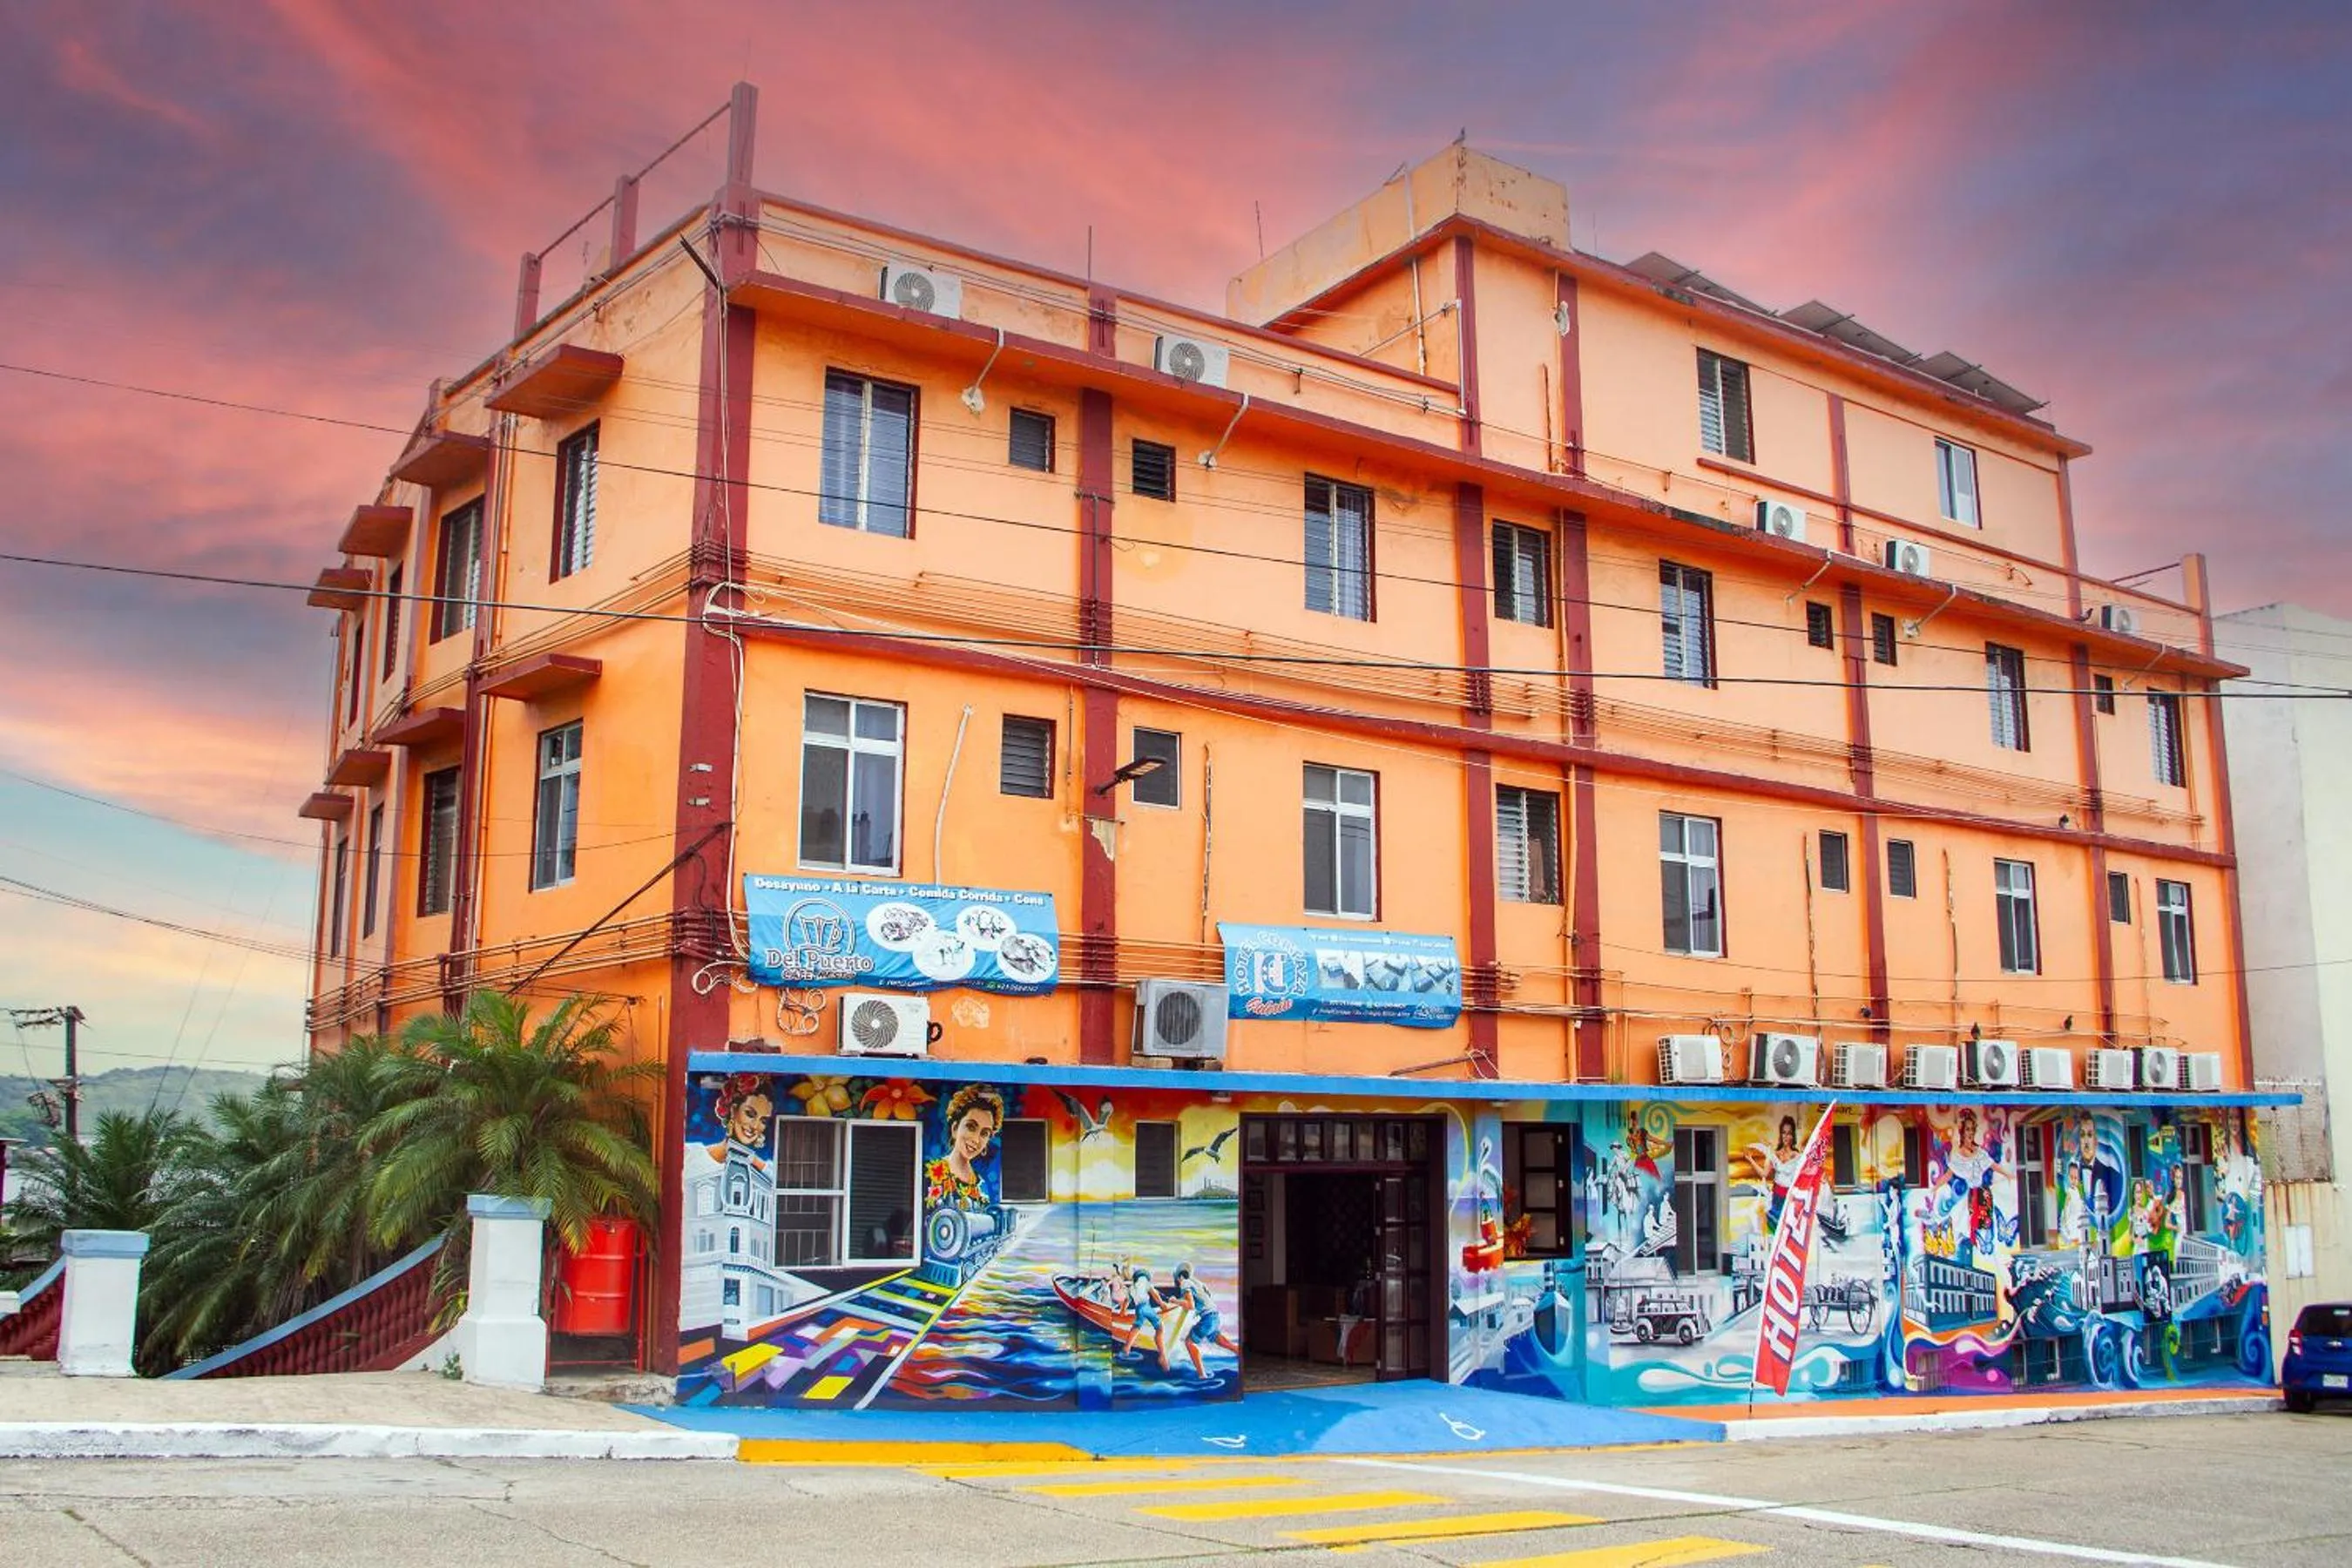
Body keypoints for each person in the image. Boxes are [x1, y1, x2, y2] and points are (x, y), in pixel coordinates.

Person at [924, 1084, 1005, 1211]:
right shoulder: (930, 1173)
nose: (976, 1139)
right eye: (971, 1127)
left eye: (984, 1133)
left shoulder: (982, 1186)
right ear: (955, 1128)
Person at [1165, 1261, 1238, 1377]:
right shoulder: (1198, 1283)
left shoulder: (1185, 1282)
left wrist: (1174, 1301)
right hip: (1215, 1316)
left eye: (1177, 1280)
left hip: (1207, 1319)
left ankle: (1202, 1375)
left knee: (1189, 1343)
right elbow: (1203, 1299)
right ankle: (1240, 1354)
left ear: (1179, 1276)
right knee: (1222, 1342)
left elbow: (1190, 1305)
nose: (1178, 1283)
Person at [1120, 1266, 1166, 1362]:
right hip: (1146, 1307)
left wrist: (1123, 1311)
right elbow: (1155, 1295)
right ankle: (1161, 1353)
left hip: (1138, 1309)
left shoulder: (1132, 1288)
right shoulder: (1146, 1283)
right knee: (1159, 1327)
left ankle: (1126, 1349)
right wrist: (1162, 1305)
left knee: (1136, 1327)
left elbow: (1126, 1301)